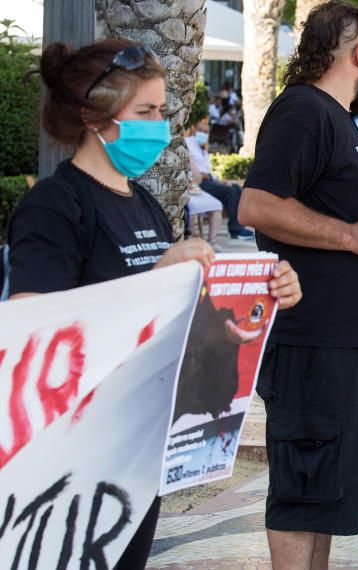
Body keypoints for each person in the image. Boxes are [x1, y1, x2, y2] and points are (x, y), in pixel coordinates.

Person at [5, 39, 302, 569]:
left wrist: (263, 291)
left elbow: (180, 316)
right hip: (75, 460)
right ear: (91, 116)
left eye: (161, 111)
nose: (159, 125)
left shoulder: (141, 202)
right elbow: (32, 332)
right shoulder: (55, 205)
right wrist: (157, 278)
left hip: (141, 445)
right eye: (144, 111)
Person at [236, 4, 358, 567]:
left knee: (325, 496)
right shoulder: (303, 110)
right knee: (303, 492)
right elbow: (257, 204)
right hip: (317, 338)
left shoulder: (341, 119)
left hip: (352, 339)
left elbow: (343, 202)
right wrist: (350, 235)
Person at [185, 117, 255, 240]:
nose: (203, 134)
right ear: (194, 130)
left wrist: (219, 180)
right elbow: (196, 171)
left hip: (208, 181)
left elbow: (208, 172)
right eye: (200, 130)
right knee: (230, 192)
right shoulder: (188, 143)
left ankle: (240, 227)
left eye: (206, 132)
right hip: (198, 183)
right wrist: (207, 176)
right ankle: (236, 230)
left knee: (236, 188)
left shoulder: (203, 150)